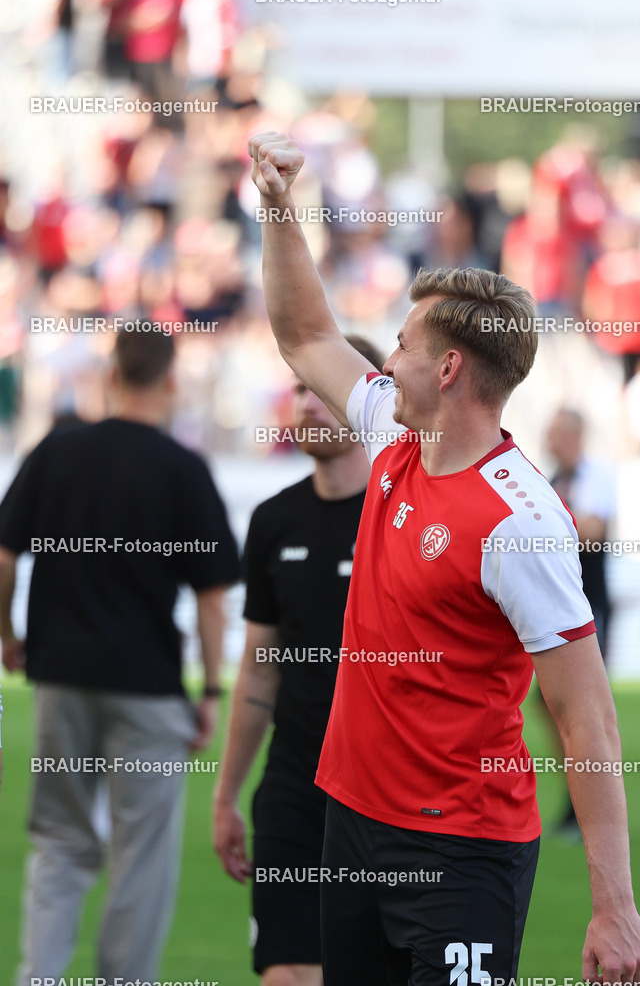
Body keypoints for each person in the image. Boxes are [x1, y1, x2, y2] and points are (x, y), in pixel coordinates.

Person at [245, 131, 640, 986]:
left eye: (400, 346)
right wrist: (279, 209)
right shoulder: (396, 437)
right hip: (351, 822)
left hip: (461, 849)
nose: (382, 363)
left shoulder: (519, 521)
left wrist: (612, 907)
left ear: (451, 367)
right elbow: (302, 332)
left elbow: (587, 718)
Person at [0, 329, 241, 986]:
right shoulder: (181, 467)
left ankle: (38, 977)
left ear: (110, 374)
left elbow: (4, 556)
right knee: (142, 856)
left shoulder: (58, 449)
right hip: (147, 685)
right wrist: (211, 693)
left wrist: (7, 636)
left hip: (60, 677)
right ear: (170, 381)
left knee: (59, 842)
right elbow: (214, 595)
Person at [213, 335, 384, 986]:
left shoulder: (401, 515)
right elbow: (259, 666)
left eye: (322, 390)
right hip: (291, 787)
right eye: (299, 389)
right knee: (285, 970)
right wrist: (227, 794)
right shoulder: (272, 520)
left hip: (382, 790)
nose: (307, 404)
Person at [544, 408, 617, 837]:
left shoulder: (596, 476)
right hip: (558, 607)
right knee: (551, 704)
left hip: (590, 608)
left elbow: (591, 529)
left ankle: (590, 808)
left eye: (555, 434)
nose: (550, 442)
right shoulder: (551, 479)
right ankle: (576, 798)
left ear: (573, 435)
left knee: (583, 706)